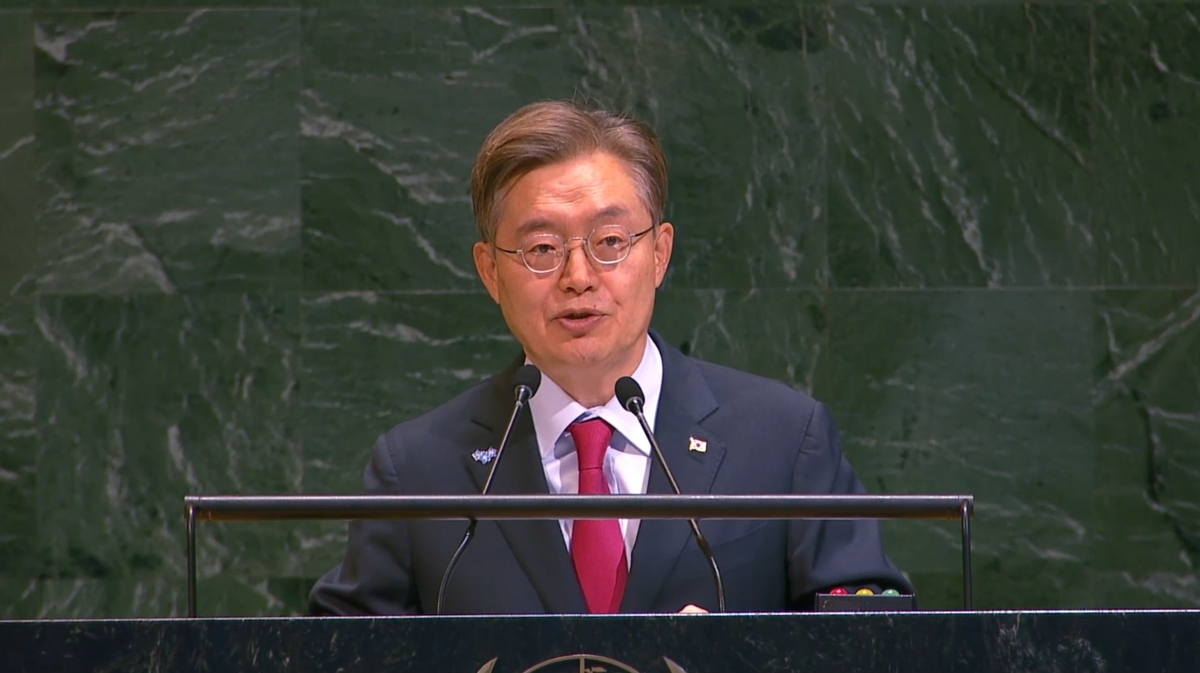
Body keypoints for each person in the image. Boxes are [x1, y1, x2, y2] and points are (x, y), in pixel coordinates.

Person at [309, 100, 912, 615]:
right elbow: (339, 651)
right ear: (490, 271)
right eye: (542, 248)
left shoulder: (783, 441)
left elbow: (870, 628)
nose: (578, 277)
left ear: (660, 254)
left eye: (610, 243)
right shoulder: (418, 470)